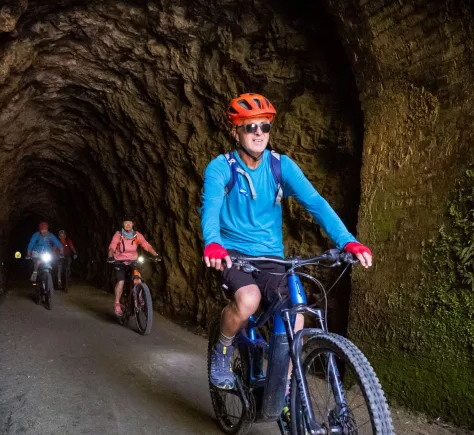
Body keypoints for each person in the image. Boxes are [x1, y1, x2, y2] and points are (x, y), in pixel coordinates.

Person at [200, 93, 373, 390]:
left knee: (297, 316)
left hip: (271, 257)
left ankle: (287, 389)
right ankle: (223, 349)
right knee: (249, 300)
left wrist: (348, 242)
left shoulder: (281, 167)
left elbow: (316, 204)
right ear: (236, 132)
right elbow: (211, 207)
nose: (258, 133)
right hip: (233, 255)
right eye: (250, 126)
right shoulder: (221, 167)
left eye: (264, 127)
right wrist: (213, 243)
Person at [108, 218, 159, 316]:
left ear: (132, 224)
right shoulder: (118, 235)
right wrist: (110, 256)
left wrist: (155, 254)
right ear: (123, 225)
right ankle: (117, 303)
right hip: (120, 261)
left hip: (133, 260)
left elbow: (146, 245)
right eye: (125, 223)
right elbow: (112, 246)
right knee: (121, 281)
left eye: (129, 223)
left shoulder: (137, 235)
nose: (128, 225)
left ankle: (139, 297)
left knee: (137, 278)